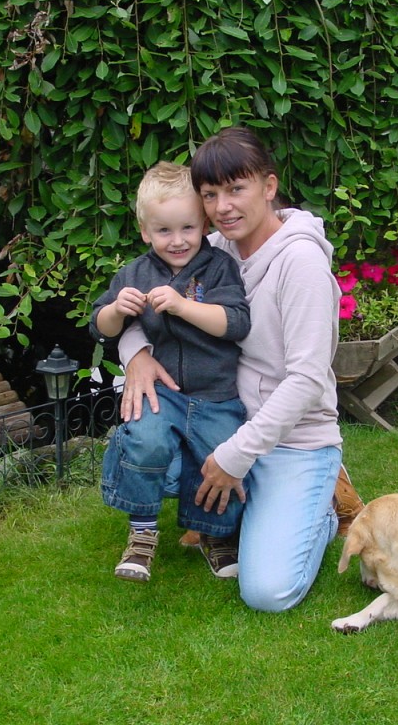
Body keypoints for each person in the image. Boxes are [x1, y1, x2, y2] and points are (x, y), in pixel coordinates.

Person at [118, 127, 361, 612]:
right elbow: (136, 308)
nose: (223, 207)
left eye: (236, 189)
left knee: (267, 591)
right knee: (141, 445)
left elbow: (307, 380)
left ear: (269, 187)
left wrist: (234, 456)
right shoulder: (210, 249)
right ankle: (242, 509)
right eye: (210, 195)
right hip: (218, 420)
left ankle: (328, 504)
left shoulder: (301, 264)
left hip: (291, 440)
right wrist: (137, 356)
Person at [90, 161, 251, 583]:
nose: (177, 241)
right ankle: (142, 532)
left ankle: (215, 535)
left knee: (217, 459)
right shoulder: (135, 273)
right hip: (163, 391)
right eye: (164, 230)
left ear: (204, 225)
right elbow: (100, 327)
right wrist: (115, 309)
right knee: (145, 440)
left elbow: (236, 322)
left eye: (188, 228)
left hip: (216, 394)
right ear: (145, 231)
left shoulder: (219, 267)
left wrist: (183, 306)